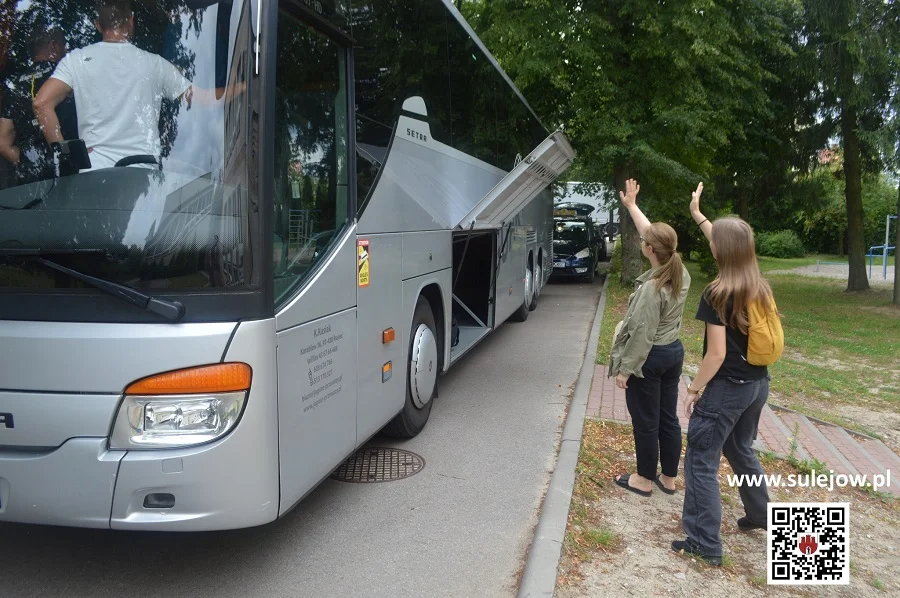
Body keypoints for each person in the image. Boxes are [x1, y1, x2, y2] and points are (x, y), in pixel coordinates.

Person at [672, 182, 773, 566]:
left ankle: (704, 542)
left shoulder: (717, 292)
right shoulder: (757, 284)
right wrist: (699, 214)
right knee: (740, 448)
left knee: (700, 458)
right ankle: (762, 515)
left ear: (719, 252)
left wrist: (694, 389)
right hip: (757, 385)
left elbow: (716, 354)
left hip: (727, 388)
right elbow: (725, 239)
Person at [32, 0, 194, 171]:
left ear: (97, 25)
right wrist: (225, 92)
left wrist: (67, 156)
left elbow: (41, 103)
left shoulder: (76, 60)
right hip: (144, 175)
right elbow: (197, 98)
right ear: (131, 21)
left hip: (94, 173)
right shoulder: (154, 64)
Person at [609, 179, 692, 496]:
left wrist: (626, 369)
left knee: (646, 421)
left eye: (645, 241)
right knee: (667, 418)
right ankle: (668, 478)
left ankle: (644, 479)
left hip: (649, 358)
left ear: (648, 251)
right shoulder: (679, 271)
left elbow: (641, 334)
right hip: (673, 354)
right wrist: (631, 206)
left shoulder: (650, 289)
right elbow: (655, 237)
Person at [0, 27, 78, 184]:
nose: (66, 50)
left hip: (31, 180)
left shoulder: (14, 86)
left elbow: (2, 140)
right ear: (53, 46)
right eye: (63, 45)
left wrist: (29, 162)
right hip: (71, 174)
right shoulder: (66, 77)